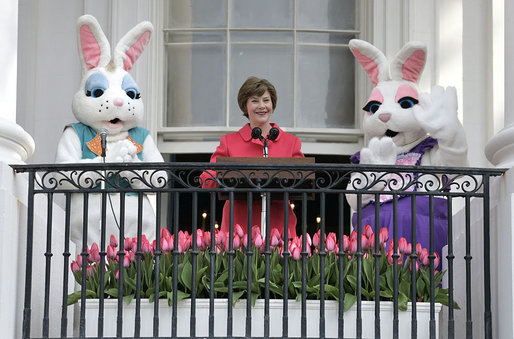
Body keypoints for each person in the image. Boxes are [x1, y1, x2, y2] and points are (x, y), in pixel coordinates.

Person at [200, 76, 304, 239]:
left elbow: (303, 180)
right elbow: (207, 179)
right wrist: (226, 176)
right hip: (238, 228)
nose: (262, 106)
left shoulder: (291, 143)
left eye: (266, 100)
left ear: (273, 104)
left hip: (279, 226)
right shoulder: (229, 142)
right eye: (255, 101)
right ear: (245, 106)